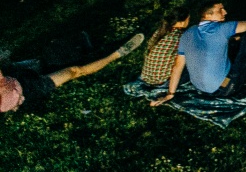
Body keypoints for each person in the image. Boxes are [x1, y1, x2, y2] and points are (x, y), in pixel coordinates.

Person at [150, 0, 246, 104]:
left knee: (233, 43)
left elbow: (177, 66)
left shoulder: (188, 33)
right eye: (220, 10)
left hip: (200, 88)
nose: (225, 13)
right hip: (226, 87)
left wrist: (170, 93)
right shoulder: (222, 28)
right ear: (208, 14)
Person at [1, 34, 144, 114]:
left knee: (43, 62)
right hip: (28, 90)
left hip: (16, 75)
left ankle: (82, 47)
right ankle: (118, 53)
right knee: (74, 71)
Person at [141, 7, 190, 86]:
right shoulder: (181, 36)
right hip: (163, 82)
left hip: (146, 78)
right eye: (188, 19)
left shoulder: (159, 32)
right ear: (182, 22)